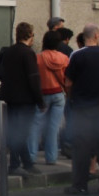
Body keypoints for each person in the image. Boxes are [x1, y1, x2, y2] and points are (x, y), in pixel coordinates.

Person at [63, 23, 99, 195]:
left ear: (84, 36)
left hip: (82, 107)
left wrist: (71, 97)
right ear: (97, 35)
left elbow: (68, 82)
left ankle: (80, 185)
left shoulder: (77, 55)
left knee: (81, 147)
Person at [0, 22, 44, 176]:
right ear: (29, 35)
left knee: (16, 131)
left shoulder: (9, 51)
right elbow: (33, 78)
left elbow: (1, 71)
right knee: (22, 132)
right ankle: (16, 164)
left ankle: (26, 163)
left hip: (11, 97)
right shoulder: (28, 53)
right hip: (25, 99)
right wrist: (40, 100)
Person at [28, 30, 68, 165]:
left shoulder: (37, 58)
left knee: (36, 126)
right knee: (54, 128)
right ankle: (51, 158)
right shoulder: (64, 58)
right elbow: (66, 78)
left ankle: (31, 156)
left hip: (42, 94)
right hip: (58, 94)